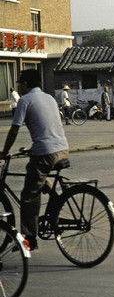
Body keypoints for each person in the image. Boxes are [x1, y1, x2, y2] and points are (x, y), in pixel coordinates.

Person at [1, 69, 69, 251]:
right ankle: (56, 199)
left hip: (46, 152)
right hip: (62, 149)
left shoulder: (25, 100)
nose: (19, 87)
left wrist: (4, 152)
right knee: (34, 170)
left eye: (19, 84)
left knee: (28, 196)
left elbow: (14, 130)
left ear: (25, 85)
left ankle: (30, 238)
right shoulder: (49, 98)